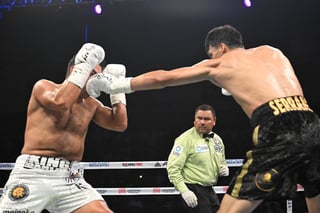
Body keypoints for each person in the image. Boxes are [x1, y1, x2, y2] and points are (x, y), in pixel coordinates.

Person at [86, 25, 320, 213]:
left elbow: (164, 78)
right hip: (312, 122)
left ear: (221, 47)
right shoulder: (273, 52)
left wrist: (117, 85)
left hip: (278, 128)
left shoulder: (220, 63)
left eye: (210, 54)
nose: (209, 59)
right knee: (314, 195)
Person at [0, 43, 128, 213]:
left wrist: (117, 89)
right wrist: (83, 68)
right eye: (90, 73)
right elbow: (60, 103)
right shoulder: (44, 87)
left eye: (98, 76)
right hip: (32, 173)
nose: (96, 79)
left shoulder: (92, 104)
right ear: (76, 70)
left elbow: (119, 124)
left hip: (69, 177)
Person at [167, 104, 228, 213]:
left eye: (207, 119)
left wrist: (223, 167)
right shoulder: (184, 140)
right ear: (194, 120)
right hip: (193, 189)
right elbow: (173, 168)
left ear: (214, 121)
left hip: (209, 190)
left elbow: (221, 160)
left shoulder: (217, 139)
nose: (202, 122)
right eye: (199, 118)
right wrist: (184, 191)